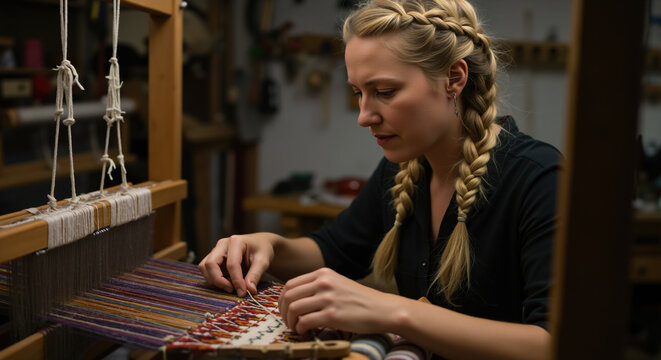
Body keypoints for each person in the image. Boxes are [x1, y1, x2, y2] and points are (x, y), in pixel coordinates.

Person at [199, 0, 562, 358]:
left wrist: (393, 311)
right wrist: (271, 245)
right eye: (359, 93)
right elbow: (336, 250)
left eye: (384, 92)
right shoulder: (403, 169)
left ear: (454, 78)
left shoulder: (540, 180)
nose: (364, 116)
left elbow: (553, 343)